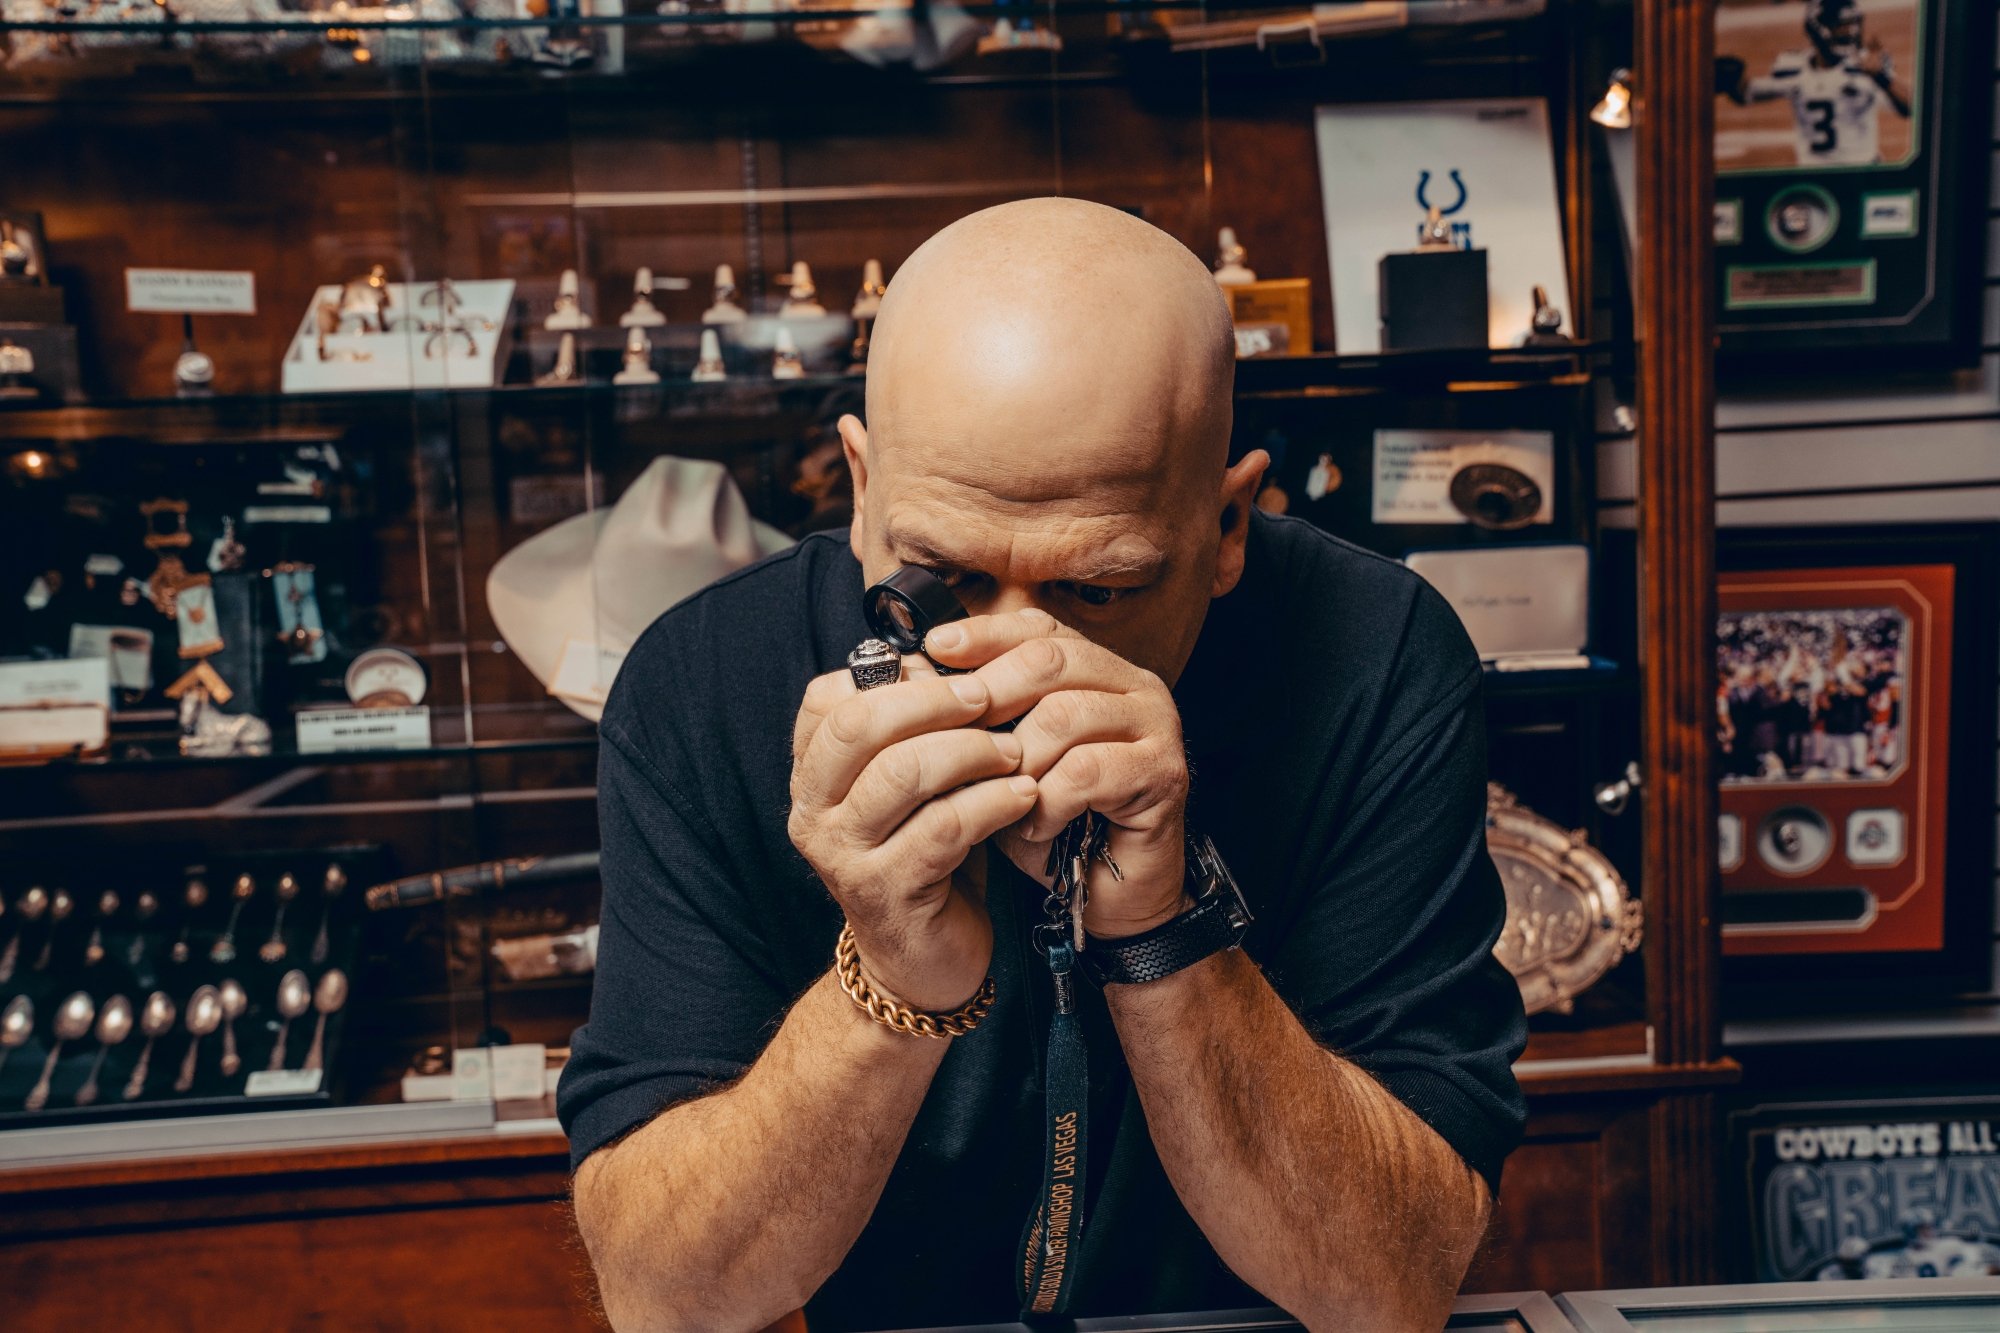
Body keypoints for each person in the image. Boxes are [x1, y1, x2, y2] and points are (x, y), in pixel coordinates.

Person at [559, 198, 1527, 1332]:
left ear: (1225, 528)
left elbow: (1387, 1287)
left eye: (1098, 588)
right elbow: (665, 1301)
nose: (1016, 656)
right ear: (862, 492)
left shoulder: (1377, 657)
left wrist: (1163, 936)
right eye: (938, 579)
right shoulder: (703, 682)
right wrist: (887, 977)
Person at [1723, 0, 1911, 168]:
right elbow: (1747, 94)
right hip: (1814, 173)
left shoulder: (1866, 66)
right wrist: (1729, 83)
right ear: (1816, 29)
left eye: (1851, 24)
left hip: (1862, 170)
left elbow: (1911, 107)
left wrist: (1882, 78)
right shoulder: (1792, 67)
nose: (1848, 31)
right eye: (1839, 25)